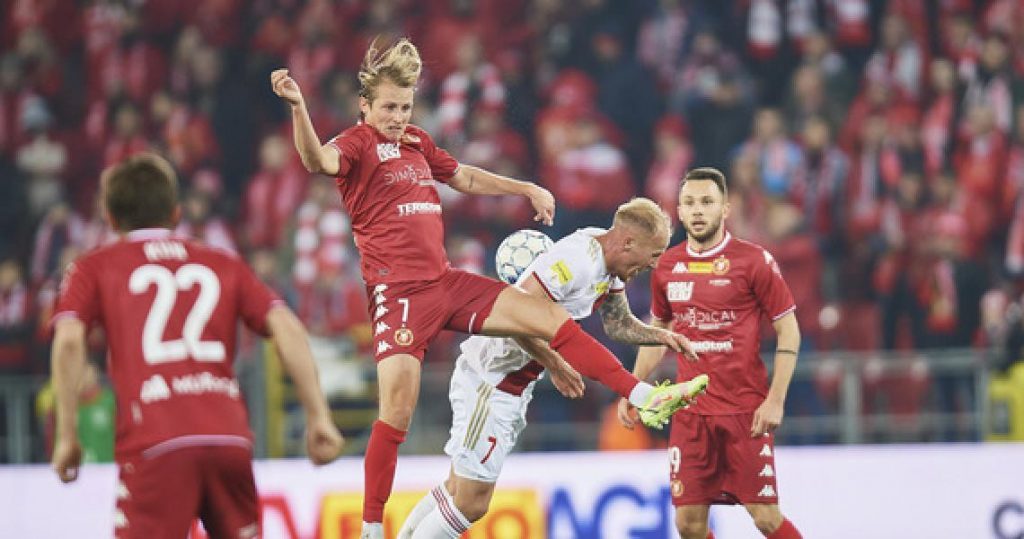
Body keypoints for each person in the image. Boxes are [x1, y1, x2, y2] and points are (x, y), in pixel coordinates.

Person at [269, 38, 699, 538]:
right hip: (399, 295)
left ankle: (642, 394)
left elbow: (465, 178)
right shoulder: (357, 143)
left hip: (445, 282)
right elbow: (316, 160)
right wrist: (298, 107)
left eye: (405, 107)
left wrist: (525, 188)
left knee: (550, 318)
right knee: (397, 413)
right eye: (388, 107)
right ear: (364, 105)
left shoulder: (417, 142)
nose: (398, 117)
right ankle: (369, 528)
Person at [49, 154, 344, 539]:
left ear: (111, 218)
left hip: (156, 441)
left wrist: (67, 434)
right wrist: (318, 415)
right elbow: (287, 326)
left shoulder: (94, 266)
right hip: (228, 437)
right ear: (176, 213)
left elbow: (69, 340)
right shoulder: (223, 261)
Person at [397, 198, 709, 538]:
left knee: (457, 488)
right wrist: (554, 362)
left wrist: (661, 336)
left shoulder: (608, 260)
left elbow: (618, 323)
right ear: (628, 242)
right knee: (471, 502)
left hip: (511, 384)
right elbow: (515, 316)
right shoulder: (576, 261)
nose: (654, 263)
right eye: (654, 254)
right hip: (490, 378)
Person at [619, 167, 804, 539]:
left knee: (765, 517)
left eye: (707, 202)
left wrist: (775, 401)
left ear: (725, 209)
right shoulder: (667, 266)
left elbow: (790, 330)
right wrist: (633, 388)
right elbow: (659, 333)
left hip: (744, 412)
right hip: (691, 415)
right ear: (679, 212)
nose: (698, 210)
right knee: (688, 524)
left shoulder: (753, 261)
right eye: (689, 203)